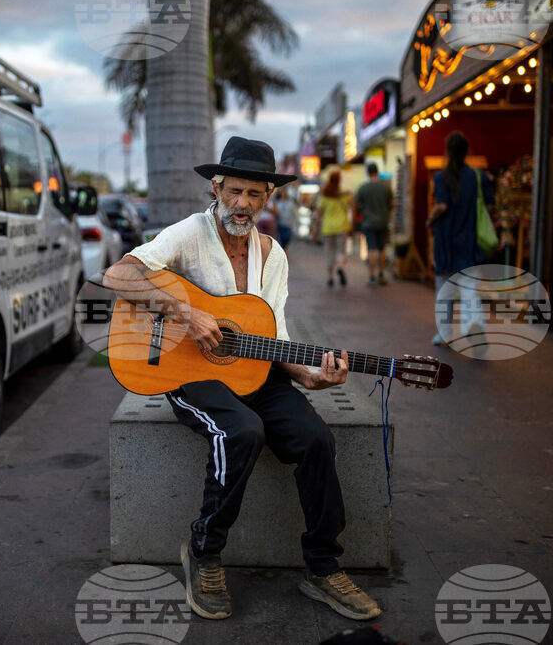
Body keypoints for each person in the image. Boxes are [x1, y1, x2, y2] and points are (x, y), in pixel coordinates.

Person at [103, 137, 381, 623]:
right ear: (216, 187)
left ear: (268, 196)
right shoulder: (189, 233)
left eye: (254, 194)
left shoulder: (273, 254)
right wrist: (186, 313)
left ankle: (322, 567)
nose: (242, 203)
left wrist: (312, 377)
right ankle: (204, 552)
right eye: (234, 191)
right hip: (186, 372)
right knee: (242, 431)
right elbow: (117, 276)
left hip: (256, 371)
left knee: (316, 438)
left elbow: (276, 337)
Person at [426, 131, 495, 345]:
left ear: (447, 151)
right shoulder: (478, 176)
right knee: (469, 286)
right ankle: (474, 323)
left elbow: (442, 205)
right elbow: (490, 206)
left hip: (445, 240)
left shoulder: (441, 177)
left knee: (444, 290)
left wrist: (430, 220)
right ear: (466, 152)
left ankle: (445, 334)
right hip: (469, 238)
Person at [354, 163, 395, 286]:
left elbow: (355, 205)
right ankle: (381, 274)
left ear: (368, 173)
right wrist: (386, 212)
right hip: (383, 222)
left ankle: (372, 277)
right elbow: (393, 204)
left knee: (371, 249)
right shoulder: (386, 188)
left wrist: (361, 212)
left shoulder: (363, 188)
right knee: (382, 249)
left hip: (368, 223)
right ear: (377, 171)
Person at [311, 170, 351, 287]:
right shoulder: (345, 193)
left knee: (329, 253)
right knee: (341, 251)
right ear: (339, 180)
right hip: (342, 226)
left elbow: (319, 214)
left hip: (327, 228)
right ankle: (340, 267)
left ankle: (330, 278)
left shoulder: (324, 194)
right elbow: (353, 206)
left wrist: (315, 229)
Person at [272, 189, 298, 256]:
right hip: (279, 223)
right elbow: (275, 213)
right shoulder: (277, 202)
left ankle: (284, 249)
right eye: (282, 192)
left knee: (287, 237)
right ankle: (283, 251)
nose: (283, 194)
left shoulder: (290, 203)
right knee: (280, 238)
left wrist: (294, 223)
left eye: (284, 192)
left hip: (288, 223)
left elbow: (294, 213)